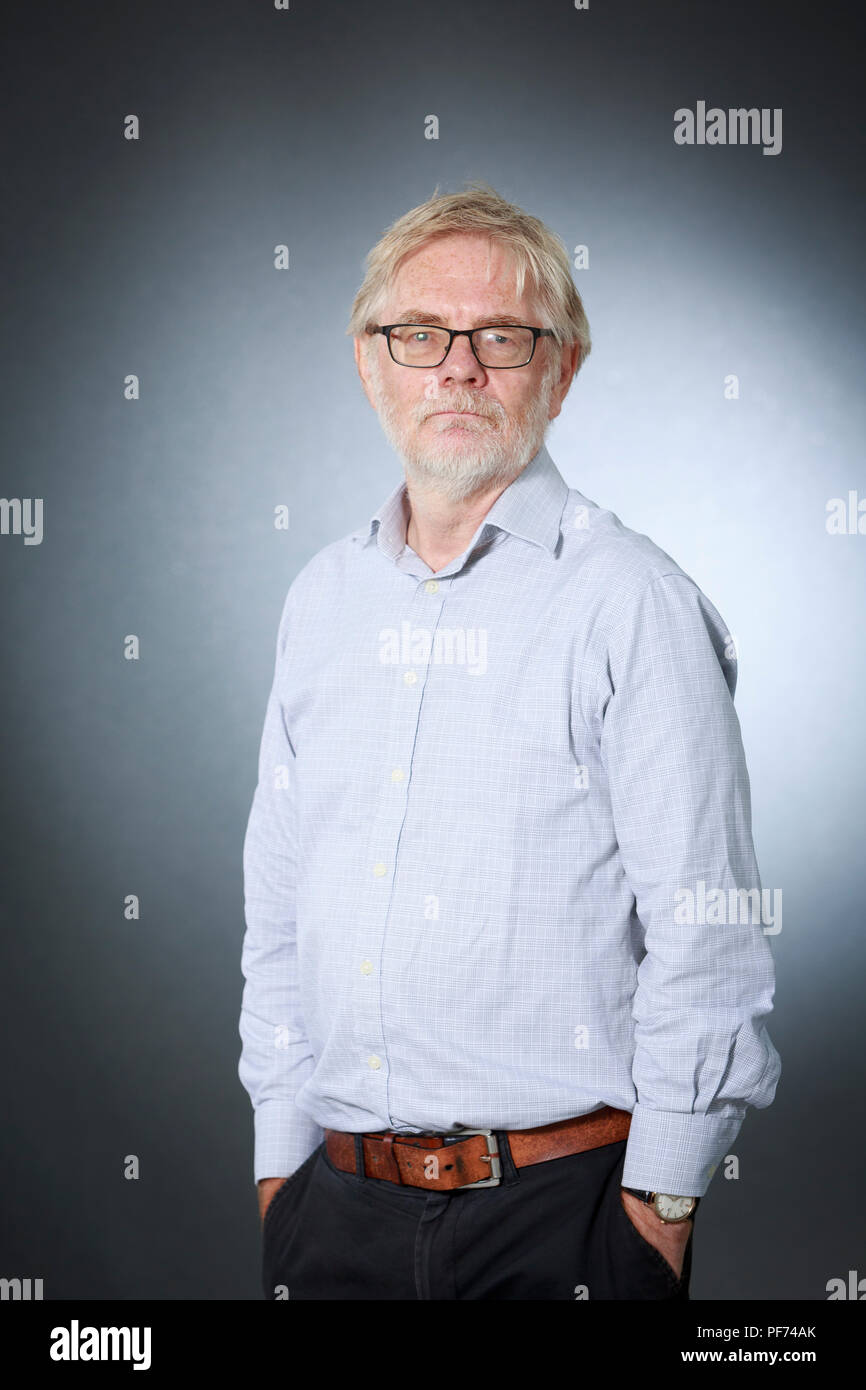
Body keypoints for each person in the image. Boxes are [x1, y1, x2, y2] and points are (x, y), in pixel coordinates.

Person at [238, 182, 781, 1301]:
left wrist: (657, 1214)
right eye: (419, 333)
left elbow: (707, 932)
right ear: (368, 361)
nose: (457, 367)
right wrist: (278, 1172)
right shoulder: (320, 600)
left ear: (562, 368)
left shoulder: (629, 601)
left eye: (501, 337)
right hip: (330, 1214)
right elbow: (278, 918)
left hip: (564, 1222)